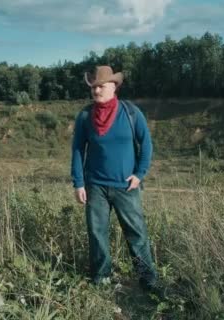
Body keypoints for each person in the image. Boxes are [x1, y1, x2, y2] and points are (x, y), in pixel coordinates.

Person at [70, 65, 158, 291]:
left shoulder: (130, 113)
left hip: (126, 187)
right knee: (97, 234)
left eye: (101, 86)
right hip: (95, 187)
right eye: (93, 87)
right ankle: (101, 279)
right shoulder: (85, 116)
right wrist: (79, 182)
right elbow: (78, 150)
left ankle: (148, 280)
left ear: (113, 86)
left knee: (136, 234)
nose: (96, 91)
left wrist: (139, 174)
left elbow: (146, 144)